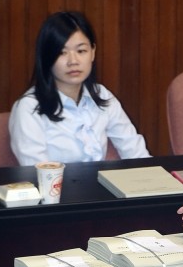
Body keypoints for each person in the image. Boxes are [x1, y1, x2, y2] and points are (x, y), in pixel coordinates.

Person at [9, 11, 150, 164]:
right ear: (47, 57)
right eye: (62, 53)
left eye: (81, 51)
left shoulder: (102, 95)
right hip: (55, 187)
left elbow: (135, 152)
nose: (73, 61)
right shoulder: (29, 108)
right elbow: (37, 172)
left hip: (99, 185)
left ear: (93, 52)